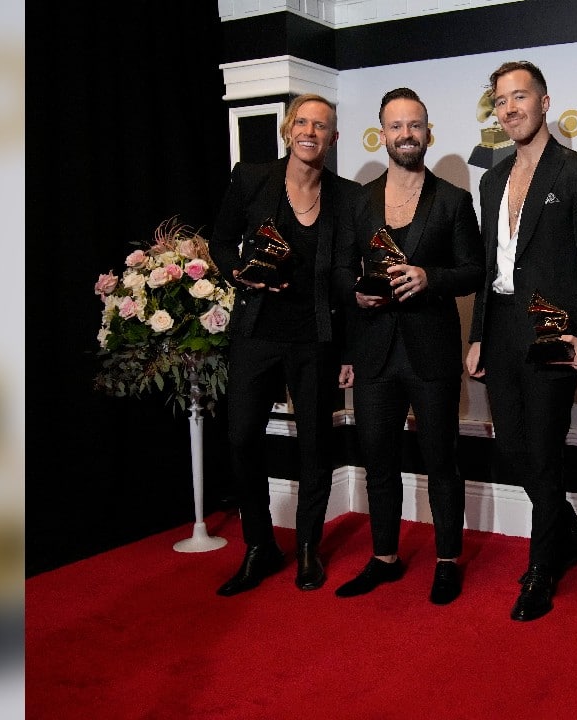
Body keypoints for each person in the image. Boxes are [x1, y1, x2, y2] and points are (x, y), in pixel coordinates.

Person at [465, 61, 577, 622]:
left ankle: (542, 567)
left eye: (519, 97)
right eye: (500, 100)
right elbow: (487, 268)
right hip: (500, 327)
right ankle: (571, 536)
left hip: (553, 329)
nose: (509, 109)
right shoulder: (490, 179)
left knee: (544, 450)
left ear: (545, 102)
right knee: (512, 447)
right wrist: (478, 333)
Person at [333, 88, 484, 605]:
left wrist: (429, 276)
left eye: (415, 125)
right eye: (396, 126)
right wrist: (353, 293)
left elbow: (473, 271)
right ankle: (384, 558)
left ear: (428, 131)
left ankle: (446, 560)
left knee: (441, 459)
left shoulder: (453, 200)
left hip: (431, 350)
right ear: (381, 134)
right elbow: (339, 269)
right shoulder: (358, 200)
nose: (406, 134)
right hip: (373, 350)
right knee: (378, 461)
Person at [210, 93, 362, 596]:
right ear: (286, 129)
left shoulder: (346, 197)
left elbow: (346, 276)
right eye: (302, 122)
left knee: (315, 445)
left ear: (333, 138)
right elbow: (220, 239)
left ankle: (307, 549)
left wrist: (348, 350)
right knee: (240, 439)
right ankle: (259, 546)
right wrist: (239, 276)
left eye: (321, 126)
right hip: (256, 331)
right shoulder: (251, 178)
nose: (310, 132)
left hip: (315, 337)